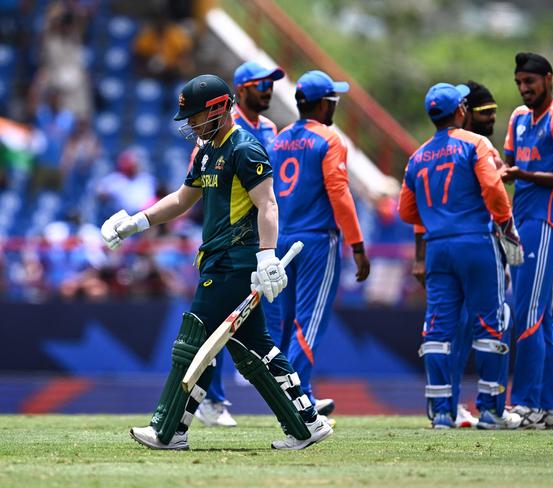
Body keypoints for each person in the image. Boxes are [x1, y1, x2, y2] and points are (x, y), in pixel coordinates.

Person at [100, 74, 332, 450]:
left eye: (195, 116)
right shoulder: (207, 153)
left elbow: (268, 204)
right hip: (218, 260)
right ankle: (306, 423)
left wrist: (267, 256)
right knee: (257, 347)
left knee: (192, 342)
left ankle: (167, 428)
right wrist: (134, 223)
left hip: (234, 261)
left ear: (220, 108)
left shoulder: (245, 148)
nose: (191, 124)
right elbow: (180, 200)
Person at [399, 82, 523, 429]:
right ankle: (491, 411)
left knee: (438, 328)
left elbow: (406, 211)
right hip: (476, 243)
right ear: (461, 112)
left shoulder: (418, 155)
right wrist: (505, 224)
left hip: (438, 248)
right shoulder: (476, 144)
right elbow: (493, 189)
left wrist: (438, 213)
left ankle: (441, 412)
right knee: (490, 322)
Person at [268, 70, 371, 419]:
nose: (335, 107)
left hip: (282, 238)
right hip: (316, 241)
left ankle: (300, 394)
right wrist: (357, 244)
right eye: (332, 101)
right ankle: (295, 398)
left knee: (286, 322)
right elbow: (339, 193)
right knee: (309, 322)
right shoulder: (328, 138)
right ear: (320, 104)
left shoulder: (278, 140)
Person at [193, 60, 286, 429]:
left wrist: (267, 250)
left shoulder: (268, 129)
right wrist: (141, 220)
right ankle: (209, 401)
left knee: (248, 335)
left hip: (252, 246)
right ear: (242, 89)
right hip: (228, 245)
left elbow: (268, 198)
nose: (268, 90)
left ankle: (303, 415)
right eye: (261, 84)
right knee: (213, 331)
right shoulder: (215, 139)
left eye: (271, 84)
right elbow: (196, 190)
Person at [502, 52, 553, 429]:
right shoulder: (518, 119)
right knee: (541, 317)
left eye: (529, 83)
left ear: (548, 79)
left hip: (547, 222)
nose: (523, 90)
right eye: (519, 83)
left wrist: (526, 174)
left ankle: (526, 404)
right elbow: (507, 165)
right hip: (521, 223)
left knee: (528, 314)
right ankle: (552, 409)